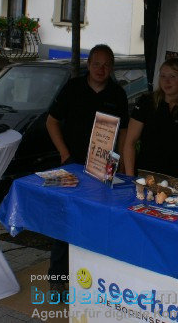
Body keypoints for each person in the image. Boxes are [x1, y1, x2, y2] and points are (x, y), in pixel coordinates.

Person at [45, 44, 129, 289]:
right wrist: (64, 154)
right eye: (96, 64)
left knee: (98, 226)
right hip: (72, 168)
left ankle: (91, 284)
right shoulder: (73, 88)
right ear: (88, 64)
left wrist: (121, 163)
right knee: (64, 226)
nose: (101, 69)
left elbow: (124, 133)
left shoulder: (118, 94)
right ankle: (59, 285)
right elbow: (51, 122)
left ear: (111, 67)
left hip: (105, 172)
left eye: (106, 65)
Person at [123, 57, 178, 182]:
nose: (167, 81)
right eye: (163, 76)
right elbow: (130, 142)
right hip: (146, 177)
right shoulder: (146, 102)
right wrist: (130, 178)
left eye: (172, 76)